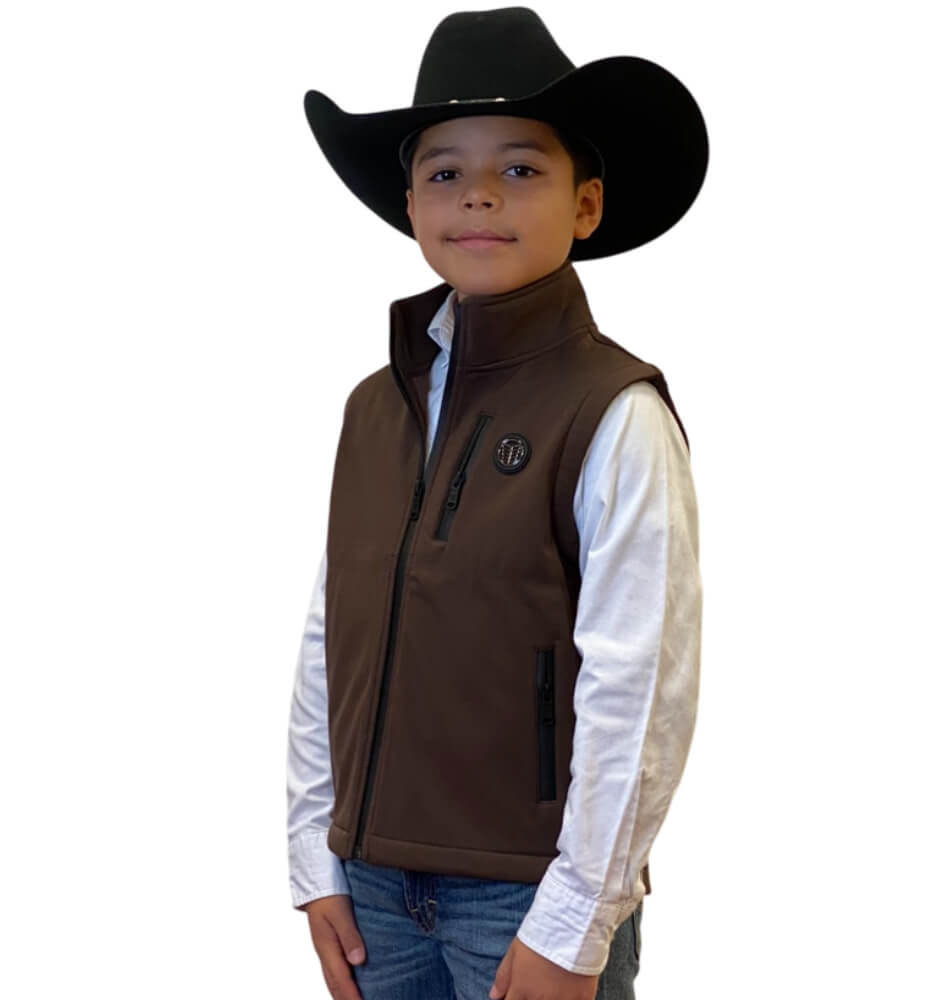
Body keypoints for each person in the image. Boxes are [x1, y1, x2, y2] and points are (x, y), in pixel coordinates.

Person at [286, 7, 708, 1000]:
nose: (478, 193)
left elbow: (641, 683)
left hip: (527, 897)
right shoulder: (374, 408)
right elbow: (330, 636)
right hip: (370, 888)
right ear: (409, 205)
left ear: (586, 204)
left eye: (520, 167)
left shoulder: (613, 412)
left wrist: (576, 921)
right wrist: (316, 856)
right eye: (445, 172)